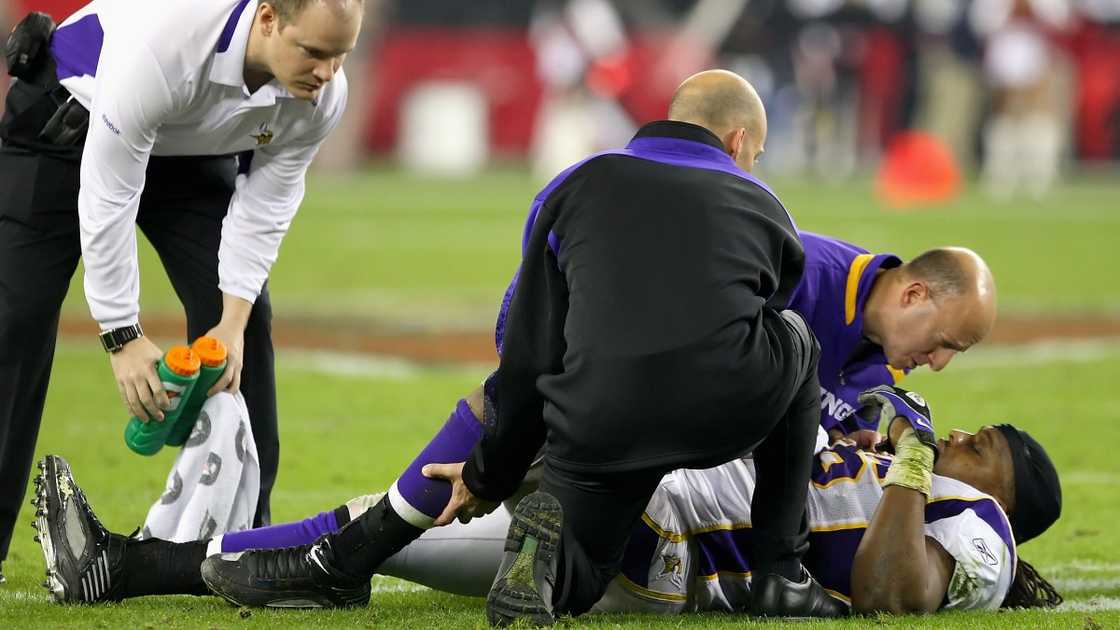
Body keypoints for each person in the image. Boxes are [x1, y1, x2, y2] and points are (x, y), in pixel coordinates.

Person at [194, 68, 843, 622]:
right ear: (737, 142)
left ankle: (548, 566)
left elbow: (525, 349)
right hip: (720, 410)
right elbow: (760, 335)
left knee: (586, 562)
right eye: (753, 153)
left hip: (599, 416)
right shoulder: (762, 202)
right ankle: (780, 572)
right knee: (796, 342)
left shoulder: (574, 184)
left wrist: (491, 472)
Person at [31, 387, 1064, 615]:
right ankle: (123, 567)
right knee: (384, 522)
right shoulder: (889, 462)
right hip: (655, 504)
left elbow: (894, 592)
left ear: (1008, 499)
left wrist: (922, 465)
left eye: (994, 451)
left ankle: (559, 535)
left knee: (509, 420)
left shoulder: (981, 534)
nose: (971, 437)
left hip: (675, 555)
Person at [0, 0, 362, 582]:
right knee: (13, 319)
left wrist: (233, 323)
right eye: (314, 53)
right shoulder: (165, 46)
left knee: (247, 328)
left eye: (340, 56)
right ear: (268, 20)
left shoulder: (322, 95)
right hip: (71, 117)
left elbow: (267, 204)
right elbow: (108, 194)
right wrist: (123, 335)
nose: (325, 73)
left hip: (188, 146)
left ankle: (247, 545)